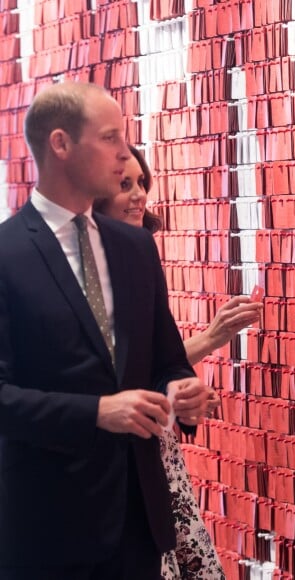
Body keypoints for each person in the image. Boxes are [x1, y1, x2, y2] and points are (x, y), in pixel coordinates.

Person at [0, 81, 213, 580]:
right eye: (111, 138)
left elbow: (166, 360)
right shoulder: (6, 254)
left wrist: (180, 389)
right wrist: (95, 412)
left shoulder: (135, 248)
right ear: (60, 144)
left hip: (139, 521)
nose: (125, 154)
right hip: (44, 529)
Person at [95, 144, 263, 579]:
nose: (139, 196)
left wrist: (186, 378)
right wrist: (210, 337)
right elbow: (127, 369)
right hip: (108, 456)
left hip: (154, 447)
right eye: (124, 185)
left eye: (141, 183)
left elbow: (155, 361)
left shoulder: (139, 256)